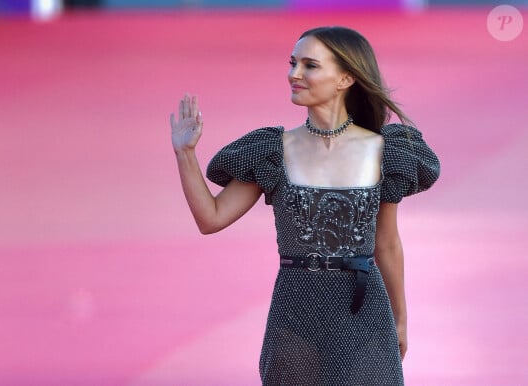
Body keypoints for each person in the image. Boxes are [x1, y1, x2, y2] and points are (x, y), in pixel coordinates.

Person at [170, 26, 440, 385]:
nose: (293, 74)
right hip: (295, 312)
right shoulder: (271, 151)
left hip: (365, 313)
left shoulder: (383, 151)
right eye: (293, 63)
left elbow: (387, 243)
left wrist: (400, 318)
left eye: (309, 65)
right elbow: (211, 217)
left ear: (346, 77)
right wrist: (184, 153)